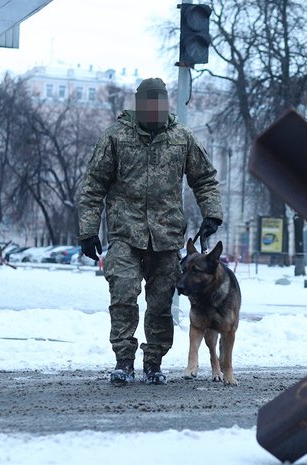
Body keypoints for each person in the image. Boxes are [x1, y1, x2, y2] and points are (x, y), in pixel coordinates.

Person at [76, 77, 223, 386]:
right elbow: (93, 185)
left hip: (167, 235)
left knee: (160, 303)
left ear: (167, 104)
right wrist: (88, 230)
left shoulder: (182, 138)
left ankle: (153, 362)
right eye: (149, 104)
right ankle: (124, 361)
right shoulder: (116, 137)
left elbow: (205, 178)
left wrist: (212, 213)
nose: (155, 109)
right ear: (139, 104)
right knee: (123, 295)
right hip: (125, 233)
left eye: (161, 103)